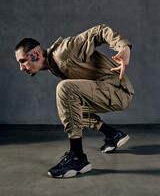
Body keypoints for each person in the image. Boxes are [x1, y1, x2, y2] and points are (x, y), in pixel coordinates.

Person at [15, 24, 134, 178]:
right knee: (71, 107)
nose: (21, 67)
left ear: (36, 54)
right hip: (107, 90)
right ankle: (112, 134)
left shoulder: (64, 51)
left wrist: (124, 47)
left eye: (23, 61)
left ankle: (77, 157)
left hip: (118, 91)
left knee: (65, 89)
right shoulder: (54, 65)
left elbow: (99, 31)